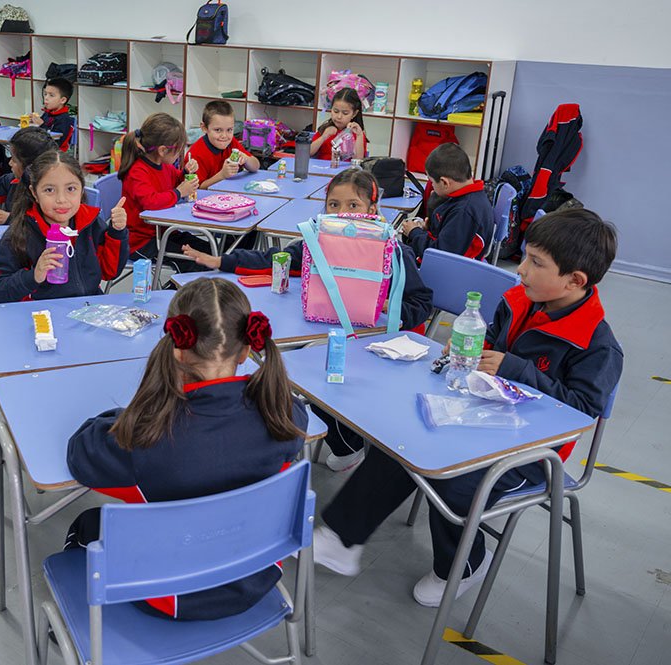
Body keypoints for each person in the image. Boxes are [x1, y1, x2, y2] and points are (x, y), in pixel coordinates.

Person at [313, 208, 623, 607]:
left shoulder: (596, 345)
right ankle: (342, 537)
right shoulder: (519, 299)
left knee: (451, 478)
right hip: (481, 413)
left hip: (533, 451)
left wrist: (517, 370)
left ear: (575, 281)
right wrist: (469, 351)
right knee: (403, 439)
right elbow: (491, 342)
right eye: (525, 256)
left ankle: (464, 564)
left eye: (535, 263)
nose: (522, 270)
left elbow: (581, 411)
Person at [65, 277, 308, 620]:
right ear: (246, 350)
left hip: (169, 595)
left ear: (177, 347)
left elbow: (80, 454)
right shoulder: (285, 415)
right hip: (257, 578)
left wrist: (131, 415)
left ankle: (84, 625)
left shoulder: (144, 439)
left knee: (89, 524)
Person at [184, 168, 434, 472]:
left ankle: (349, 442)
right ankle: (346, 441)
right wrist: (222, 261)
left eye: (353, 205)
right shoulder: (318, 243)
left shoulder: (392, 250)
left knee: (313, 373)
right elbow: (275, 259)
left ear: (373, 209)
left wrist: (386, 312)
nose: (342, 213)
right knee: (297, 371)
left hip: (377, 345)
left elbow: (421, 303)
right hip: (326, 333)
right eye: (334, 205)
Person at [0, 150, 129, 302]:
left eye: (71, 189)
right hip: (43, 316)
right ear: (34, 193)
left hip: (88, 309)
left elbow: (110, 271)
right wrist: (34, 276)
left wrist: (117, 232)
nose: (61, 199)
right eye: (49, 190)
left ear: (81, 189)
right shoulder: (21, 233)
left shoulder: (89, 222)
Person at [119, 112, 202, 259]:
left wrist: (186, 172)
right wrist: (178, 192)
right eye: (178, 150)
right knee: (195, 261)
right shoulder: (137, 172)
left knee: (207, 251)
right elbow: (150, 201)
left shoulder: (164, 166)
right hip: (141, 242)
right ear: (163, 150)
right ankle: (177, 283)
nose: (180, 154)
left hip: (164, 232)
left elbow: (176, 180)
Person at [401, 143, 495, 262]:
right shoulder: (469, 198)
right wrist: (428, 229)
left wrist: (414, 232)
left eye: (432, 183)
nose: (433, 188)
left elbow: (440, 256)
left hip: (447, 272)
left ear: (445, 183)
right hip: (445, 260)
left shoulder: (464, 211)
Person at [0, 126, 56, 225]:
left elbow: (47, 224)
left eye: (14, 160)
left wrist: (10, 218)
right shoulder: (13, 181)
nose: (9, 163)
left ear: (30, 166)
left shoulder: (51, 192)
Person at [188, 100, 259, 188]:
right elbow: (197, 189)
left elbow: (256, 166)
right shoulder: (196, 154)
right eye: (218, 130)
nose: (224, 136)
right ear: (204, 128)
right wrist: (222, 175)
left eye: (229, 130)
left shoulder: (231, 142)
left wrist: (246, 159)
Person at [310, 87, 367, 163]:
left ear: (354, 114)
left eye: (345, 113)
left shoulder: (357, 132)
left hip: (346, 173)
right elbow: (308, 152)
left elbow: (358, 160)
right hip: (322, 170)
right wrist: (323, 137)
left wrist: (359, 135)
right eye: (336, 111)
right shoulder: (326, 129)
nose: (339, 116)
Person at [30, 77, 75, 151]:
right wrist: (33, 122)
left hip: (55, 154)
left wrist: (41, 124)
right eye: (45, 94)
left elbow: (55, 143)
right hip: (42, 148)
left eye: (51, 95)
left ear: (63, 100)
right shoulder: (48, 113)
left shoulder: (64, 119)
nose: (46, 98)